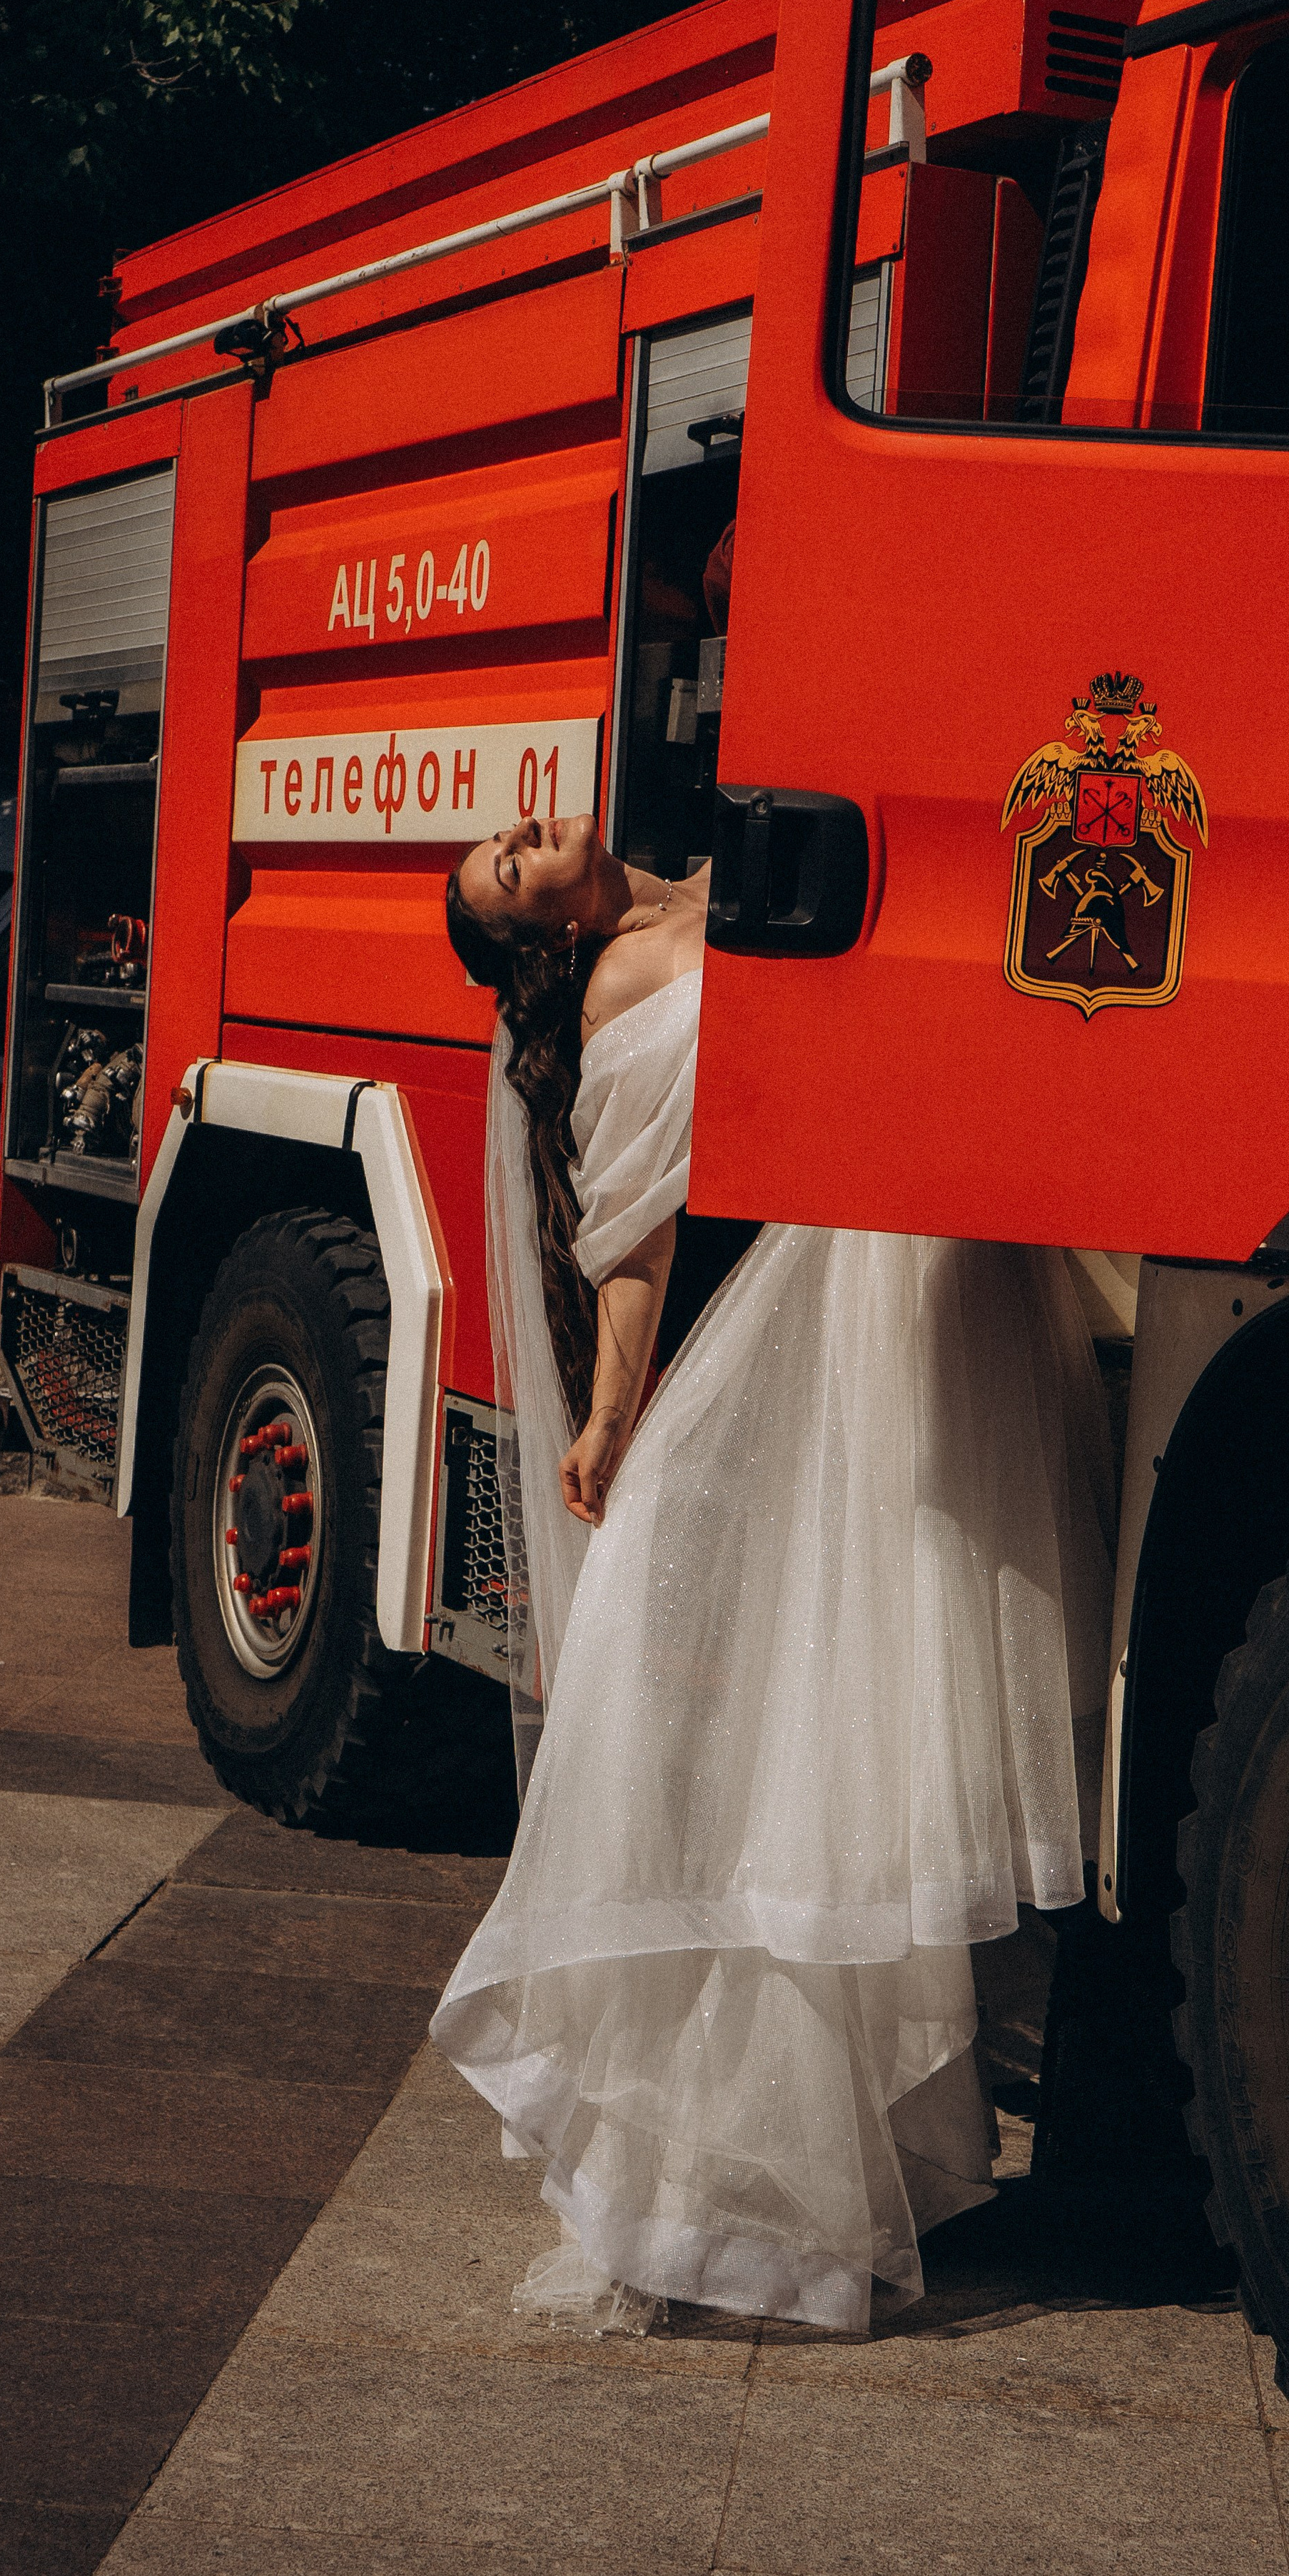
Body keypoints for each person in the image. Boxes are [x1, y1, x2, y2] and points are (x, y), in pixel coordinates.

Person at [431, 808, 1114, 2335]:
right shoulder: (616, 983)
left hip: (943, 1233)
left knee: (904, 1678)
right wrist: (611, 1418)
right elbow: (635, 1233)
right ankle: (764, 2155)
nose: (527, 833)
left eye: (505, 837)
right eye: (510, 870)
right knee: (856, 1694)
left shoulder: (719, 880)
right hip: (862, 1269)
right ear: (544, 939)